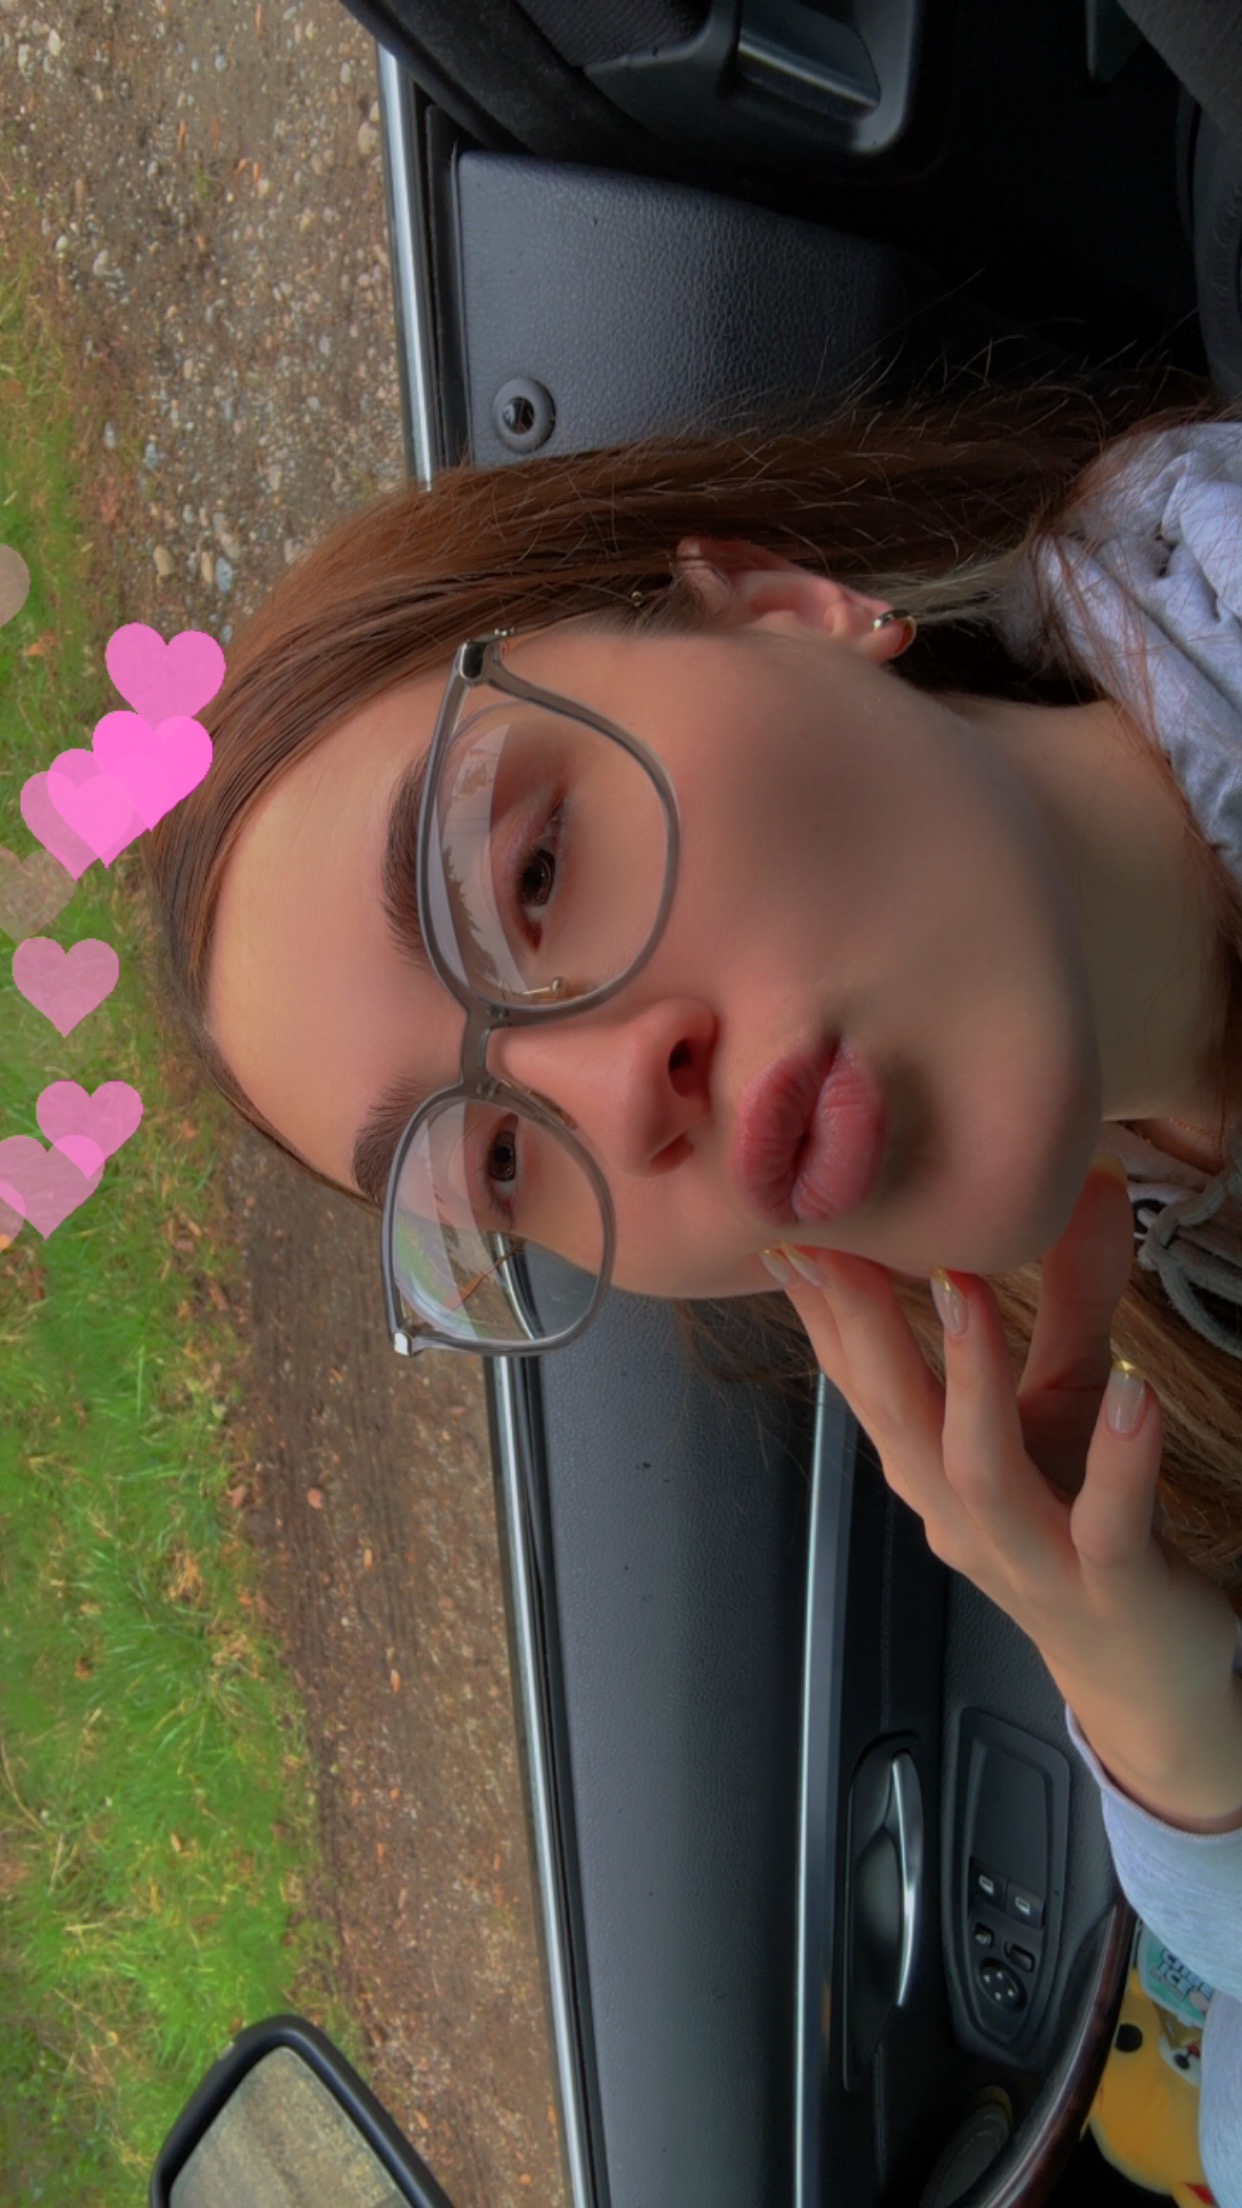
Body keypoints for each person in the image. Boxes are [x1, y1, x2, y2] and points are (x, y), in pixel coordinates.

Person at [147, 371, 1242, 2201]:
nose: (606, 1097)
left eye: (535, 871)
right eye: (497, 1165)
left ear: (785, 604)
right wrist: (1160, 1718)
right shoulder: (1179, 1289)